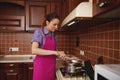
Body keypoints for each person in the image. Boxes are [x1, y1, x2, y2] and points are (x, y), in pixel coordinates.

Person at [31, 12, 67, 80]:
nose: (56, 27)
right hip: (41, 67)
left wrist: (60, 54)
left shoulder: (53, 34)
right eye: (54, 24)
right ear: (47, 22)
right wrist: (55, 52)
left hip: (51, 66)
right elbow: (34, 50)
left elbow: (52, 51)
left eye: (57, 25)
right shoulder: (39, 32)